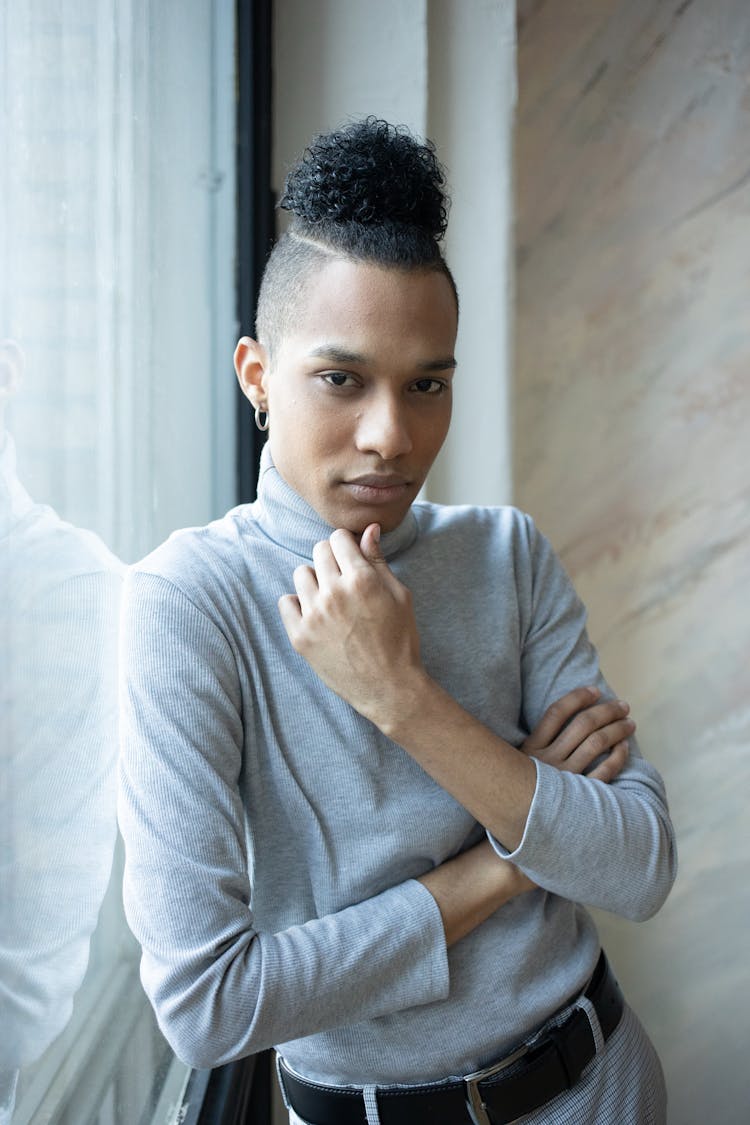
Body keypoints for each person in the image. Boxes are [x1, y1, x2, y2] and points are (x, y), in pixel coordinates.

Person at [118, 119, 677, 1124]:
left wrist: (403, 699)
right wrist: (504, 865)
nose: (392, 434)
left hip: (604, 1087)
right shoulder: (187, 605)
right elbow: (207, 1007)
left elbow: (637, 865)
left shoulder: (507, 553)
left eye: (428, 385)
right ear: (257, 376)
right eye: (341, 380)